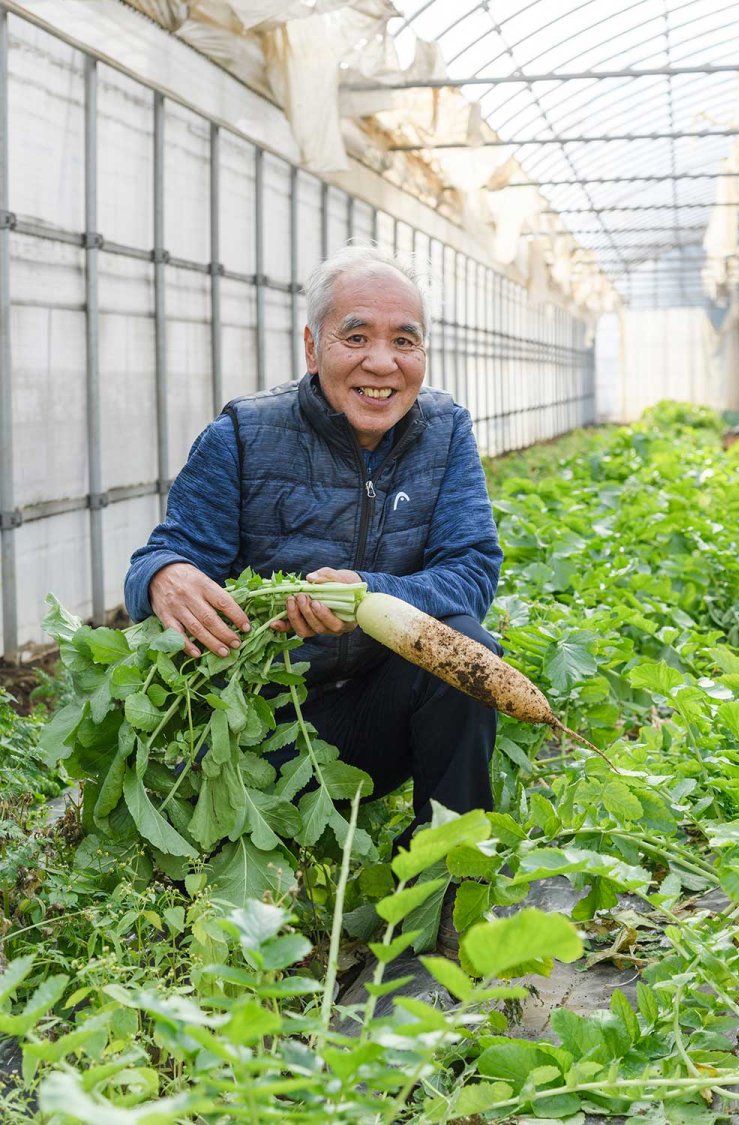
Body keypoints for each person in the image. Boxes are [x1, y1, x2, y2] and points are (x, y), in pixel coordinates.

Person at [124, 244, 503, 954]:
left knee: (468, 655)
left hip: (378, 713)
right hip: (265, 732)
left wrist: (372, 595)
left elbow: (473, 566)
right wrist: (163, 575)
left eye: (404, 341)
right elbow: (161, 556)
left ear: (425, 352)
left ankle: (443, 889)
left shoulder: (445, 431)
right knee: (201, 907)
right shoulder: (243, 434)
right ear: (312, 345)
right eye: (355, 337)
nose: (382, 363)